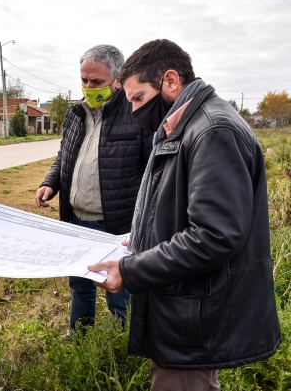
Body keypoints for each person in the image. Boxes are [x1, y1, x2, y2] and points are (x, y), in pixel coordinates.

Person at [89, 39, 281, 391]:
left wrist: (130, 269)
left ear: (171, 81)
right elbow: (183, 212)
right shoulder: (184, 126)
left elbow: (214, 235)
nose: (133, 110)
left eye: (138, 98)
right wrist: (142, 239)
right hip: (183, 310)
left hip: (194, 316)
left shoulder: (212, 131)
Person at [35, 45, 153, 330]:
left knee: (117, 289)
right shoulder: (76, 113)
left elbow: (152, 171)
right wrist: (50, 183)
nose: (89, 87)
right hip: (76, 219)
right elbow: (64, 155)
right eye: (84, 80)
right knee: (80, 284)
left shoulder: (136, 114)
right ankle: (80, 336)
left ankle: (121, 344)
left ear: (118, 78)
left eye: (96, 82)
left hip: (114, 223)